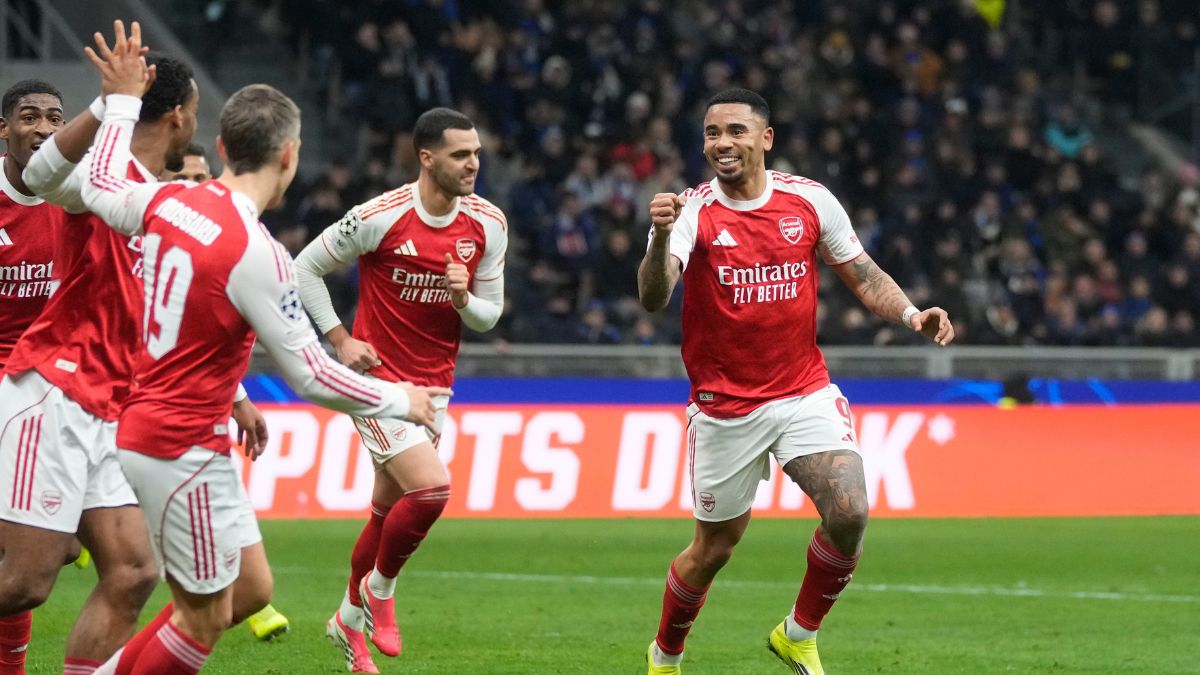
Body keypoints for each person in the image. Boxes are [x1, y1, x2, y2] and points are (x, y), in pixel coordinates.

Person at [78, 38, 449, 673]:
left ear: (221, 148)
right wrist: (401, 399)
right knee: (203, 618)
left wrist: (118, 106)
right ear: (289, 155)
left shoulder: (172, 200)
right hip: (179, 441)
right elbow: (310, 374)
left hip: (158, 429)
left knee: (250, 590)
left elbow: (99, 182)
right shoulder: (256, 251)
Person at [637, 88, 954, 675]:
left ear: (765, 138)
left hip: (803, 389)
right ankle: (665, 654)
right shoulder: (691, 212)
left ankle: (798, 633)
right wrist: (658, 237)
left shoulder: (809, 201)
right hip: (724, 407)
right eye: (711, 133)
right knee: (713, 550)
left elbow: (862, 273)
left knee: (850, 508)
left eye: (735, 130)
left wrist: (913, 313)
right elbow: (654, 298)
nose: (722, 143)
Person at [0, 23, 232, 675]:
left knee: (133, 570)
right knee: (24, 583)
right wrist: (109, 103)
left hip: (107, 404)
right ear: (183, 116)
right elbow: (44, 172)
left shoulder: (164, 197)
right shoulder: (103, 175)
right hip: (51, 392)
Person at [293, 107, 506, 673]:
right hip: (376, 383)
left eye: (477, 153)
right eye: (461, 154)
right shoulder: (377, 217)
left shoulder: (488, 223)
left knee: (387, 515)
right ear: (427, 157)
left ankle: (345, 620)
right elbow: (304, 268)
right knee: (432, 492)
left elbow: (489, 317)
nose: (473, 164)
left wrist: (464, 301)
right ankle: (379, 593)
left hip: (435, 389)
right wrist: (339, 339)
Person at [156, 142, 293, 643]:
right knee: (125, 572)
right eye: (183, 177)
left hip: (195, 423)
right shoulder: (147, 233)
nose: (194, 187)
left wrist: (238, 398)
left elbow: (202, 335)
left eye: (201, 177)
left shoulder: (236, 238)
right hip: (144, 420)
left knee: (249, 588)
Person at [0, 77, 68, 675]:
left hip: (54, 385)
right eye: (29, 117)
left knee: (58, 550)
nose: (43, 128)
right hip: (5, 388)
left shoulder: (76, 199)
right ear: (5, 130)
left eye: (54, 117)